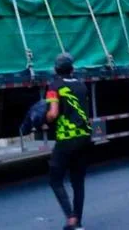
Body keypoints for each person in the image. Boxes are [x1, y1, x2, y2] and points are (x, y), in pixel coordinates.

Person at [46, 53, 91, 230]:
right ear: (72, 68)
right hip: (84, 137)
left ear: (56, 69)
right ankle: (78, 222)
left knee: (55, 180)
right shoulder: (81, 85)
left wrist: (45, 118)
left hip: (66, 138)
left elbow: (53, 113)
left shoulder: (54, 86)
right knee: (78, 181)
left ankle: (71, 217)